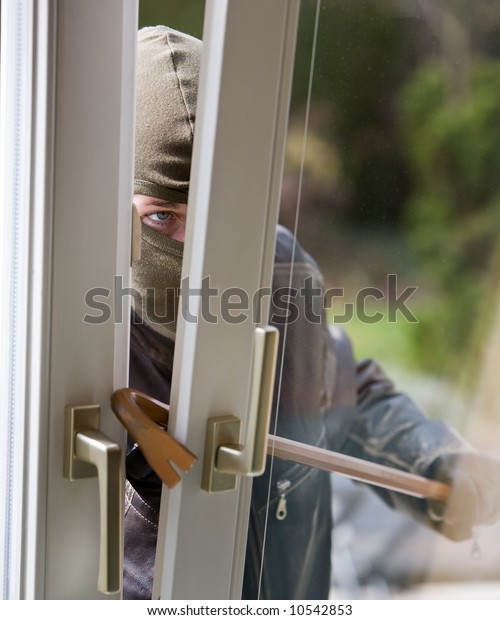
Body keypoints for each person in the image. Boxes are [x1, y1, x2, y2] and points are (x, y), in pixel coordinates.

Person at [123, 25, 500, 600]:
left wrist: (434, 459)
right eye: (161, 219)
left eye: (213, 212)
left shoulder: (280, 268)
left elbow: (342, 389)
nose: (193, 247)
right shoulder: (61, 332)